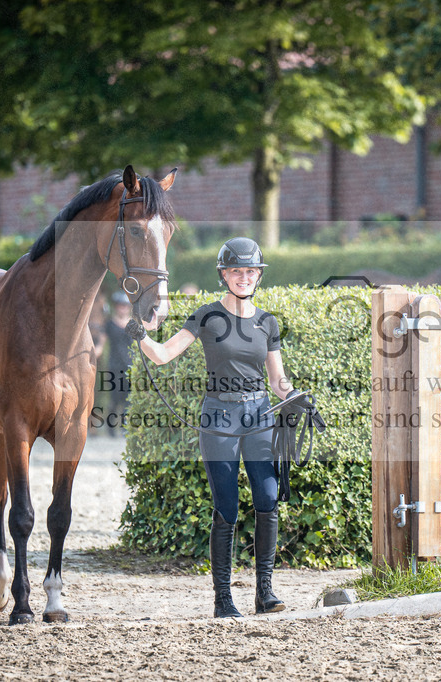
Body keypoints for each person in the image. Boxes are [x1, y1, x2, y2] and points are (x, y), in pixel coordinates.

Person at [134, 237, 295, 618]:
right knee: (227, 506)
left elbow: (277, 380)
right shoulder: (206, 316)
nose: (244, 277)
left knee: (268, 500)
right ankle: (224, 600)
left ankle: (265, 593)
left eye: (251, 271)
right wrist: (140, 335)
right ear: (224, 274)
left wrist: (294, 394)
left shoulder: (267, 322)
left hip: (259, 416)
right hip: (219, 417)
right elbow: (163, 355)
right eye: (237, 271)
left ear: (258, 275)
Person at [102, 290, 134, 431]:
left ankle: (124, 427)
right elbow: (101, 343)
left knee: (128, 398)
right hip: (114, 366)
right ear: (116, 306)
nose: (123, 308)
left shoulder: (133, 324)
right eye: (120, 305)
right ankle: (110, 428)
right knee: (115, 399)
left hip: (130, 365)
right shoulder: (109, 324)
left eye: (125, 305)